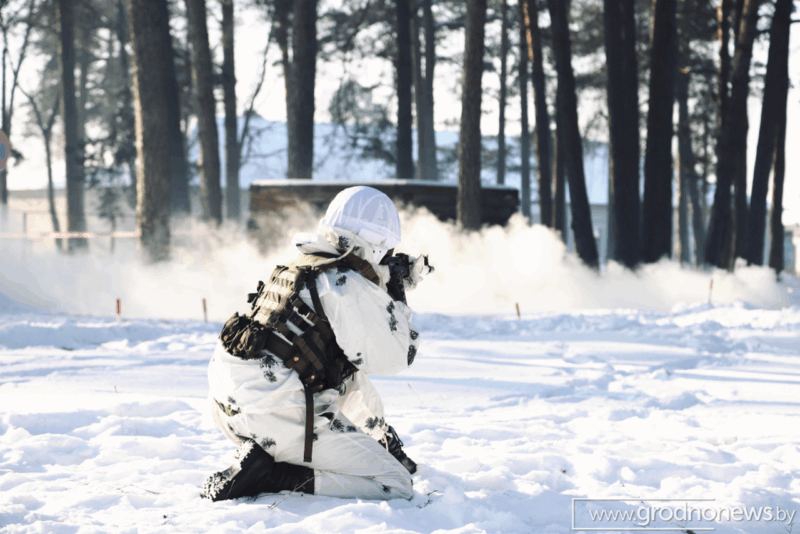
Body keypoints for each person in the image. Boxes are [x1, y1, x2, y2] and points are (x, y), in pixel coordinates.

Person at [202, 186, 432, 502]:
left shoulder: (299, 264)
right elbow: (396, 356)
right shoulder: (344, 283)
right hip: (277, 417)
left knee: (346, 373)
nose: (388, 258)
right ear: (374, 245)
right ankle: (270, 475)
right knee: (396, 484)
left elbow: (347, 371)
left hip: (234, 411)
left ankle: (381, 443)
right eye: (387, 251)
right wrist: (395, 293)